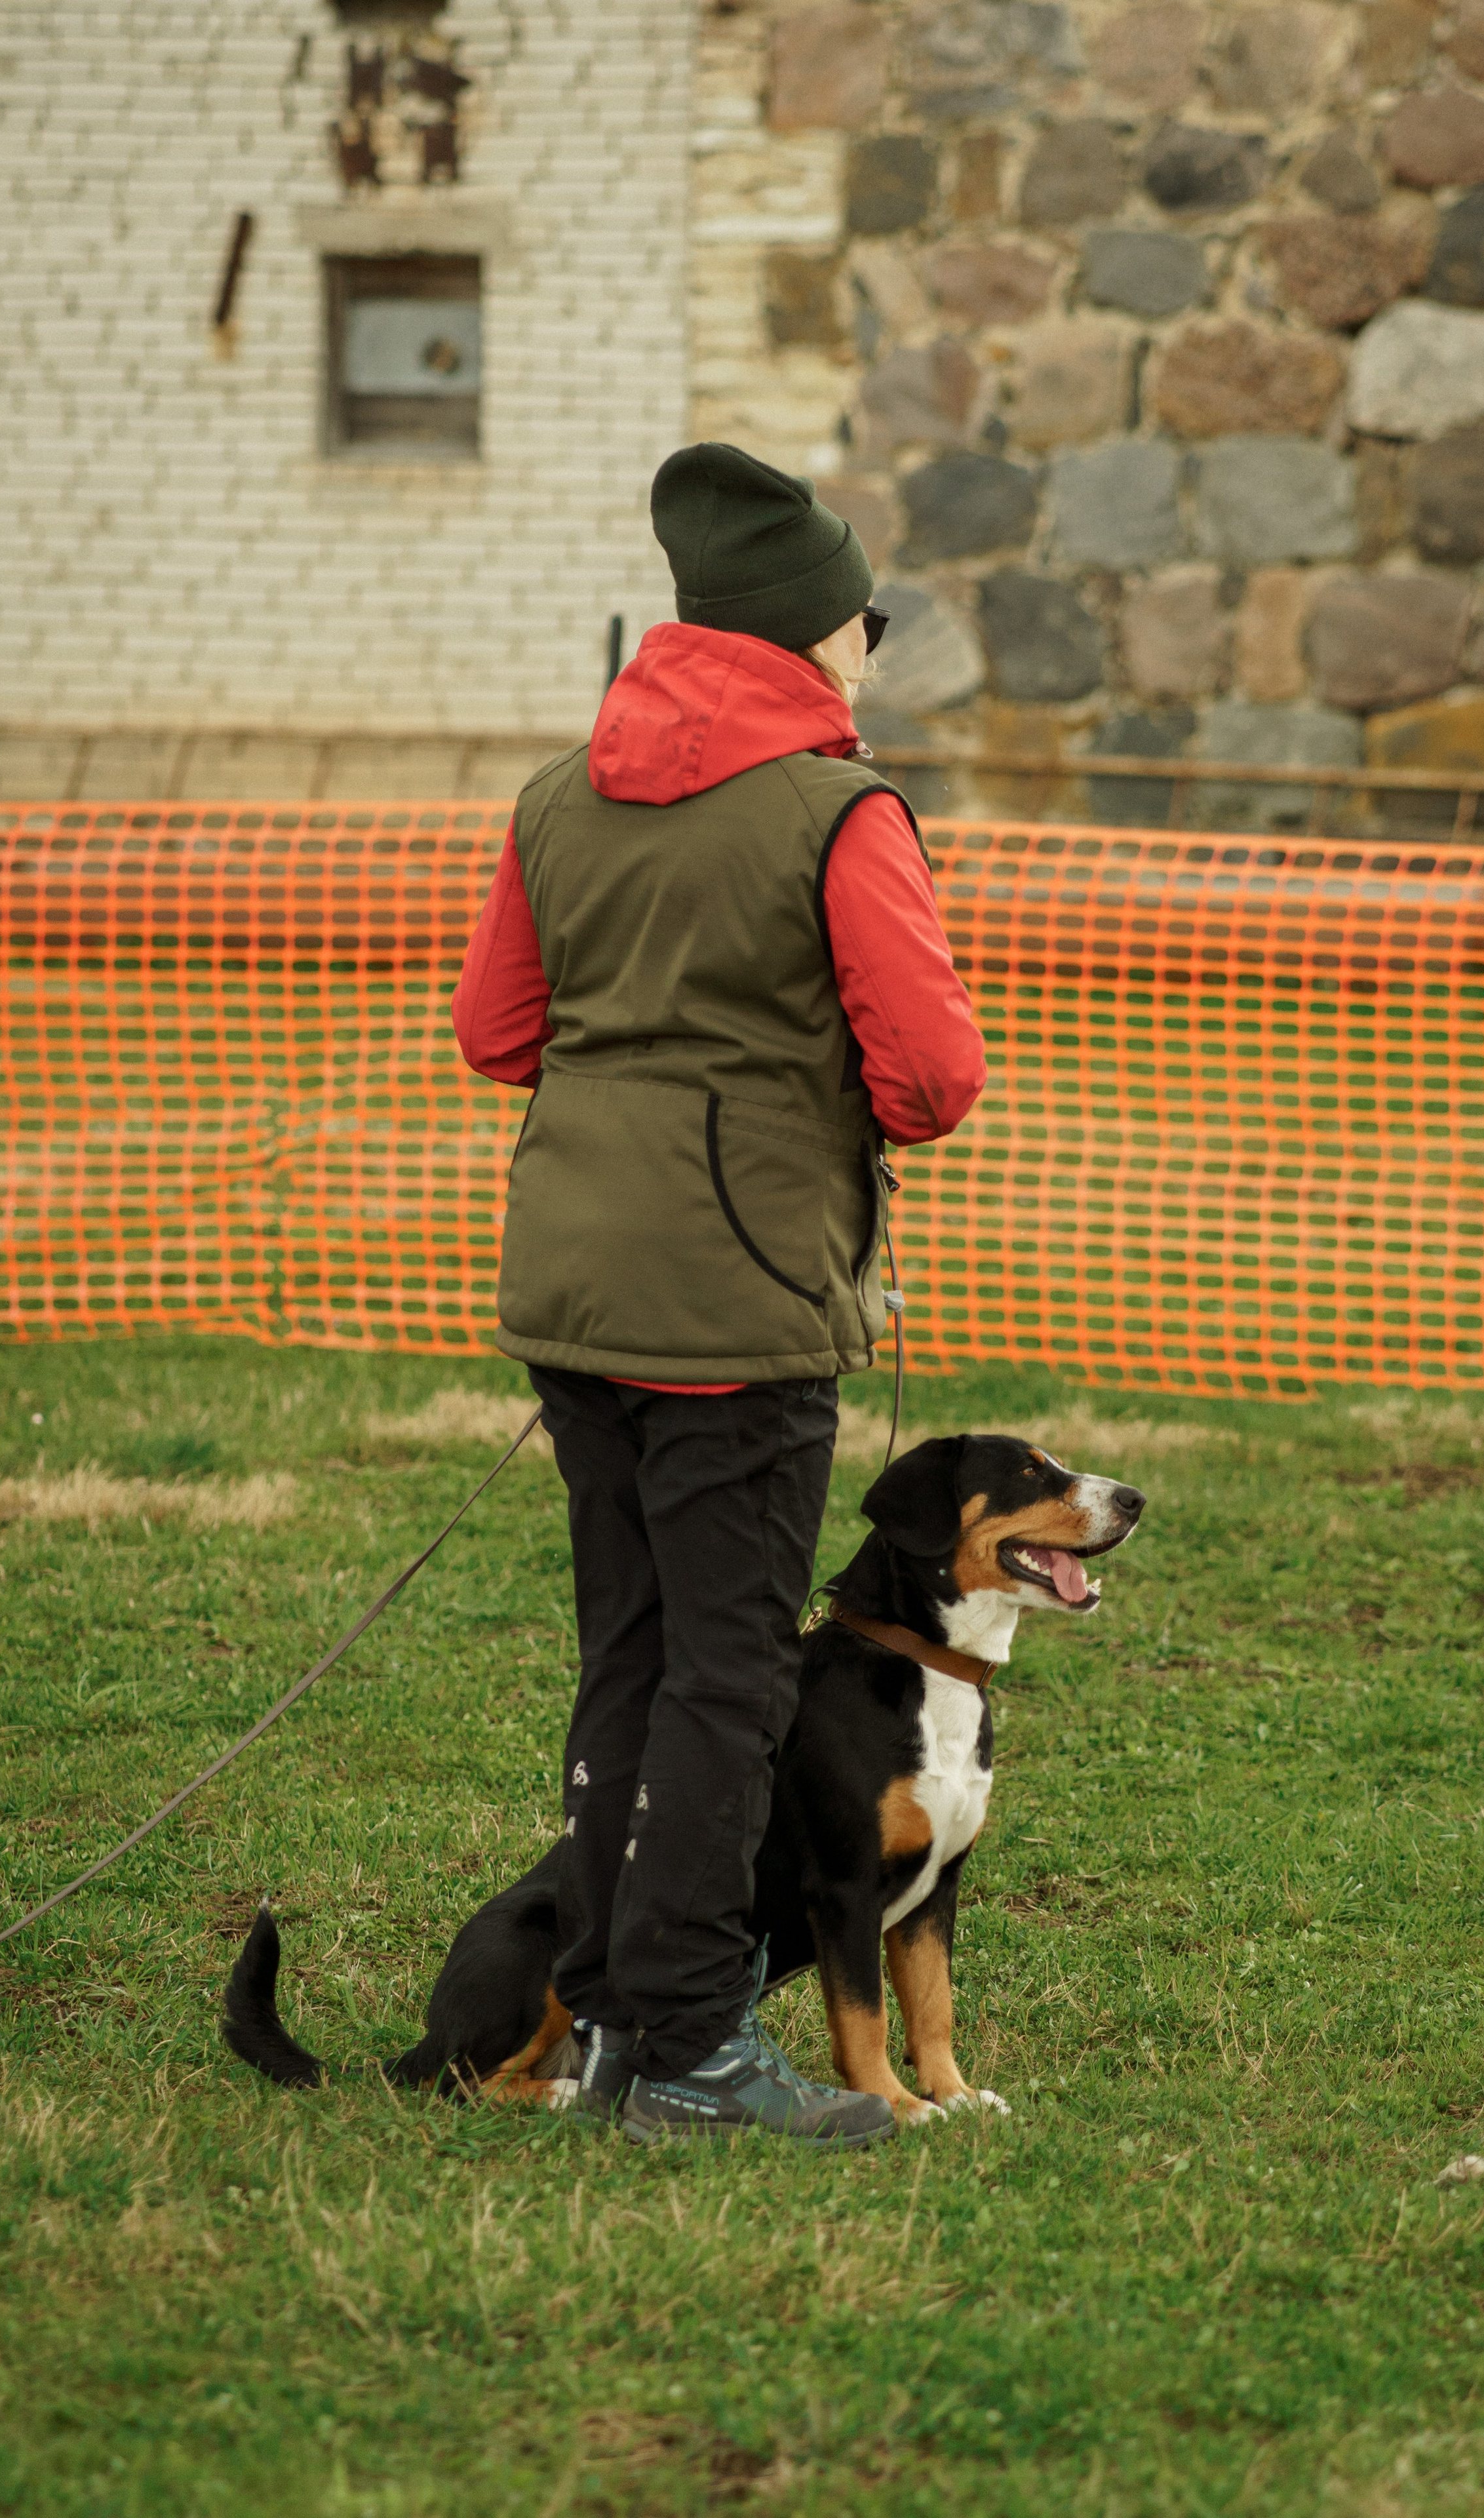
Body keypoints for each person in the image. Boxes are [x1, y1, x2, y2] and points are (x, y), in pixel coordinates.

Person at [451, 442, 986, 2144]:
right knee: (735, 1674)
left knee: (631, 1651)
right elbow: (931, 1078)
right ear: (810, 634)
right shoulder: (842, 810)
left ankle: (618, 2013)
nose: (872, 648)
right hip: (741, 1310)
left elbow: (495, 1038)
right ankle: (678, 2048)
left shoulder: (556, 795)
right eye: (866, 619)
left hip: (572, 1295)